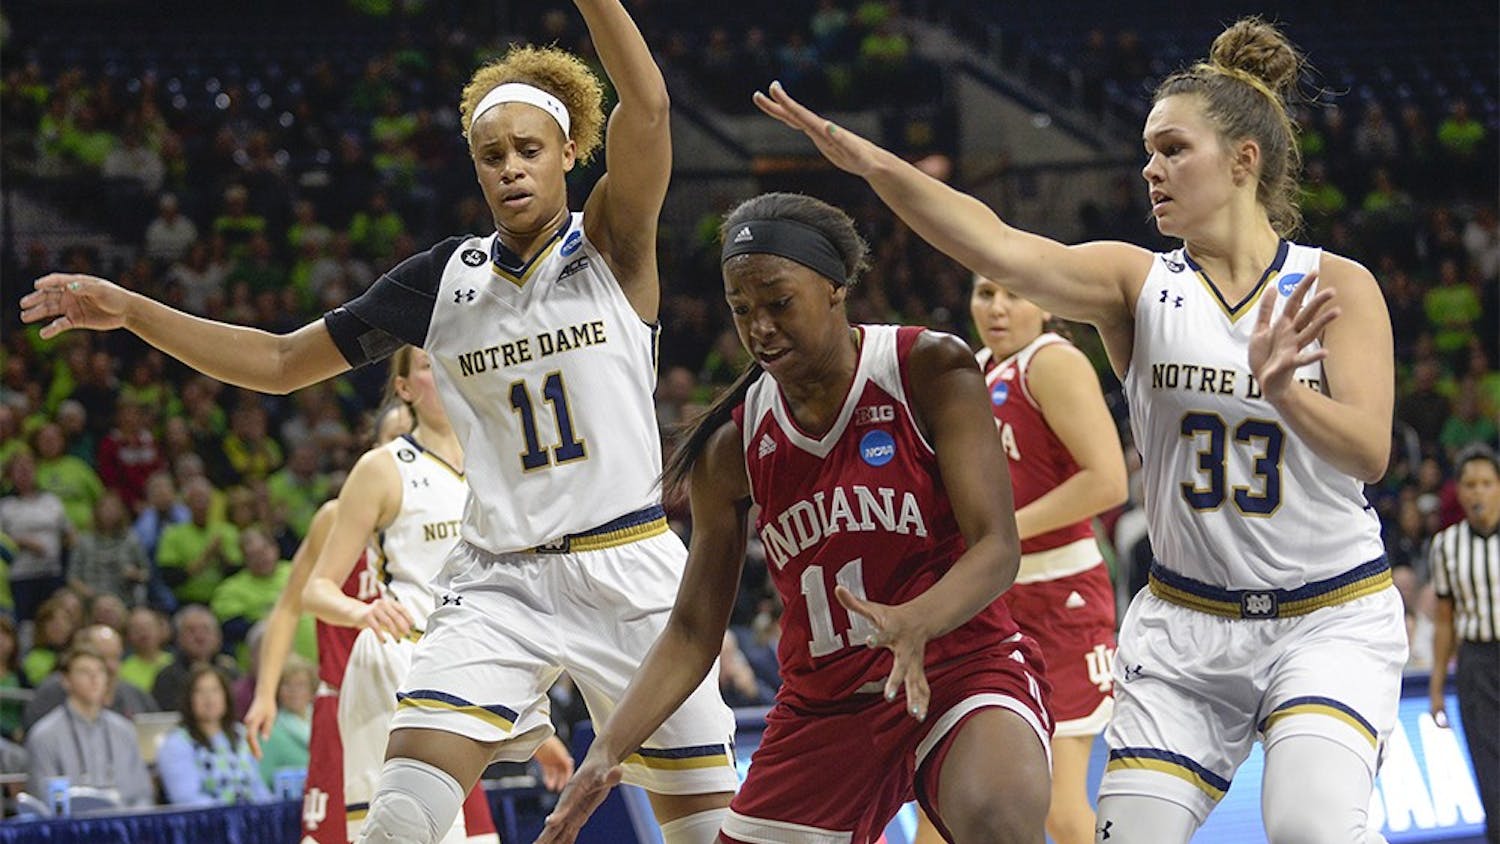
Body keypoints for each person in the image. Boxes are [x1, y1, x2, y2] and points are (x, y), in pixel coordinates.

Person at [21, 3, 739, 839]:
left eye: (529, 151)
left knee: (704, 831)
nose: (510, 169)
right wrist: (134, 311)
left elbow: (647, 107)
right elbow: (283, 364)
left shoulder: (612, 243)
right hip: (499, 580)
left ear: (572, 153)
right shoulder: (443, 280)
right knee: (397, 815)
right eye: (491, 156)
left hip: (627, 563)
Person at [754, 16, 1404, 842]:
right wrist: (872, 164)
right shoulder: (1136, 282)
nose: (1151, 169)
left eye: (1173, 150)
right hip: (1186, 625)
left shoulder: (1336, 284)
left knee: (1310, 828)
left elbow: (1370, 452)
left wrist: (1287, 393)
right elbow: (993, 242)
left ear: (1245, 160)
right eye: (1147, 151)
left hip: (1328, 614)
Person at [538, 192, 1052, 844]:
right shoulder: (732, 445)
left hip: (959, 670)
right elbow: (695, 628)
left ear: (836, 287)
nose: (759, 328)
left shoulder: (927, 368)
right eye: (742, 309)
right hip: (825, 710)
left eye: (779, 303)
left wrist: (917, 619)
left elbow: (997, 547)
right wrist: (608, 750)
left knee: (1000, 819)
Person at [920, 278, 1128, 844]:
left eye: (1014, 295)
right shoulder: (969, 367)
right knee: (941, 814)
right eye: (985, 294)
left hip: (1062, 598)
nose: (998, 308)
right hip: (989, 602)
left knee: (1061, 812)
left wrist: (1001, 536)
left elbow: (1108, 482)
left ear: (1046, 304)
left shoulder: (1052, 362)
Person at [301, 348, 537, 843]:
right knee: (394, 827)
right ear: (406, 388)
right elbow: (316, 589)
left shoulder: (498, 459)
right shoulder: (382, 468)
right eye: (428, 366)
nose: (444, 371)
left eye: (449, 359)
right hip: (397, 653)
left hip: (473, 656)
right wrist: (362, 610)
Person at [244, 402, 411, 844]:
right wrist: (265, 694)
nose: (404, 449)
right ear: (373, 450)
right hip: (342, 706)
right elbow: (287, 606)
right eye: (392, 439)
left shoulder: (444, 514)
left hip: (416, 709)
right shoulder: (336, 519)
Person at [1428, 445, 1499, 841]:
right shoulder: (1446, 546)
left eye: (1487, 484)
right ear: (1459, 492)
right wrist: (1437, 687)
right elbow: (1444, 621)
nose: (1478, 493)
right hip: (1477, 664)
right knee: (1491, 774)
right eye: (1470, 485)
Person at [24, 644, 154, 808]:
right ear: (66, 681)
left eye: (100, 671)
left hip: (123, 825)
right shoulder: (44, 735)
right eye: (84, 672)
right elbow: (44, 801)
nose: (95, 678)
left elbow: (143, 795)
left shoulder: (125, 730)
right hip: (71, 829)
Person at [157, 664, 273, 806]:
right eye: (200, 692)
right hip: (209, 822)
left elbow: (257, 786)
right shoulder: (176, 744)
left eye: (215, 690)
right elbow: (186, 799)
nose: (209, 699)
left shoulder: (241, 734)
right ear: (188, 700)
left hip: (251, 818)